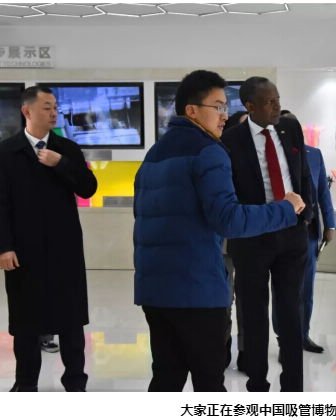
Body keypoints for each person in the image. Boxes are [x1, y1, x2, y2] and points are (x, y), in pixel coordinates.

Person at [133, 70, 305, 392]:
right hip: (196, 289)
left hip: (154, 291)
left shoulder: (154, 154)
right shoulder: (210, 151)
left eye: (226, 107)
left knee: (166, 379)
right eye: (218, 107)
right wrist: (285, 209)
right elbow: (228, 219)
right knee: (210, 383)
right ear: (192, 110)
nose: (225, 115)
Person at [0, 86, 97, 392]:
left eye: (55, 107)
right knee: (26, 323)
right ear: (27, 111)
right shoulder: (5, 152)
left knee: (71, 322)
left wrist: (60, 163)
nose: (53, 113)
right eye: (46, 107)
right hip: (24, 251)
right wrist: (2, 247)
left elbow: (88, 188)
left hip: (65, 250)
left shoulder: (67, 149)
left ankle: (75, 383)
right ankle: (25, 384)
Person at [221, 77, 313, 392]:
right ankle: (257, 385)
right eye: (269, 102)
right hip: (252, 240)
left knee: (290, 315)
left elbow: (303, 175)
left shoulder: (290, 129)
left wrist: (306, 217)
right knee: (254, 316)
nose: (277, 106)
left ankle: (293, 389)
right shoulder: (230, 140)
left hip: (291, 237)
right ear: (250, 106)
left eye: (278, 99)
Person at [271, 110, 336, 360]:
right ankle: (283, 339)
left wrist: (330, 225)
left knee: (306, 287)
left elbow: (323, 193)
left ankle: (303, 334)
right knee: (282, 289)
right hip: (279, 232)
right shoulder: (271, 155)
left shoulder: (314, 154)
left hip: (307, 233)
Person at [221, 109, 249, 372]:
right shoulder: (219, 158)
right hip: (224, 244)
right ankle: (222, 348)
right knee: (224, 298)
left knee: (248, 299)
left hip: (251, 241)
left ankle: (246, 351)